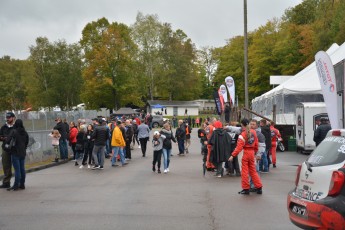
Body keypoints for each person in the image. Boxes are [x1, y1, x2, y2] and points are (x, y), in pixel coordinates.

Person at [229, 118, 263, 195]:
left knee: (244, 172)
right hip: (252, 153)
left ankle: (246, 189)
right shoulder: (254, 132)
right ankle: (259, 187)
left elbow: (238, 147)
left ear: (242, 125)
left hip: (245, 153)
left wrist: (232, 155)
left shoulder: (242, 134)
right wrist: (255, 153)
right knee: (253, 171)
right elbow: (257, 144)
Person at [6, 119, 29, 191]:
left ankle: (16, 185)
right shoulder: (25, 132)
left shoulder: (14, 131)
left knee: (17, 170)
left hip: (15, 152)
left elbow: (8, 141)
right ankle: (22, 184)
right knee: (22, 169)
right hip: (22, 152)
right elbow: (27, 142)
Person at [0, 112, 16, 188]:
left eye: (9, 117)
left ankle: (18, 182)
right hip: (5, 148)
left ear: (13, 118)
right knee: (6, 165)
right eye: (7, 117)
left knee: (17, 166)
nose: (7, 119)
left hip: (15, 149)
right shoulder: (3, 127)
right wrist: (3, 138)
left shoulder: (17, 126)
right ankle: (6, 182)